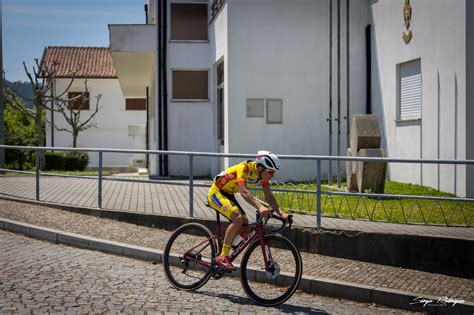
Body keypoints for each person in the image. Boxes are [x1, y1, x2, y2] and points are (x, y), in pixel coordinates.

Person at [207, 150, 289, 270]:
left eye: (274, 172)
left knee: (245, 226)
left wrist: (281, 212)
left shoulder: (261, 175)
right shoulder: (244, 169)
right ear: (260, 167)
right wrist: (260, 207)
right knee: (238, 219)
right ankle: (222, 256)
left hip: (228, 194)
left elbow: (269, 196)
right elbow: (244, 192)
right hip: (217, 193)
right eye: (270, 172)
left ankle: (230, 247)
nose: (273, 175)